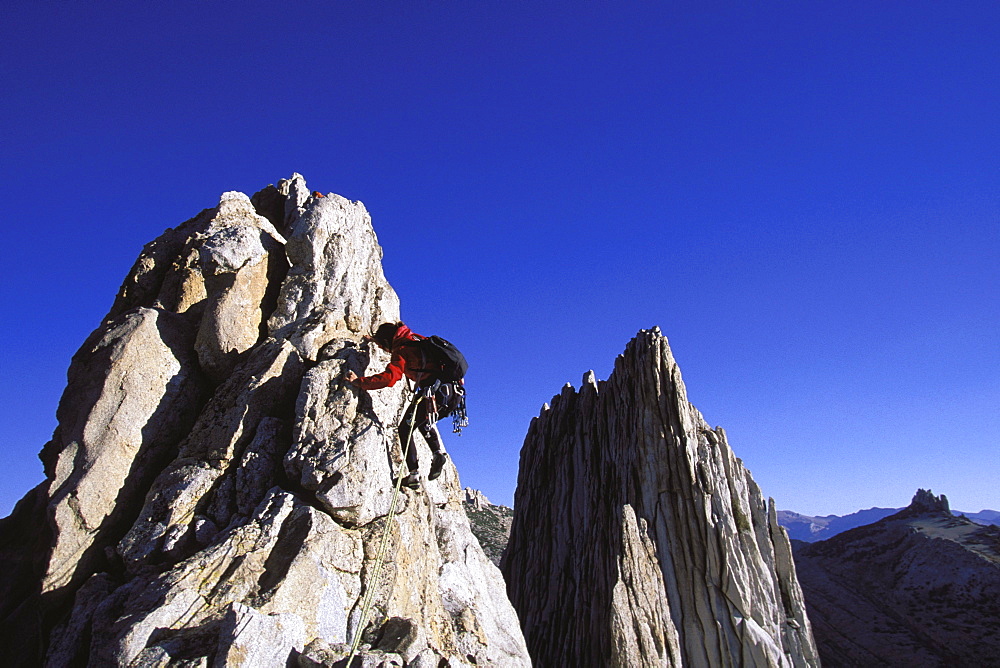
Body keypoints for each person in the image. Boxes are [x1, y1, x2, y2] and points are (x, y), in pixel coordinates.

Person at [344, 322, 463, 489]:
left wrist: (359, 382)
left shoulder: (401, 350)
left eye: (383, 344)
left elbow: (389, 378)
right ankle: (437, 454)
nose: (384, 348)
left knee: (405, 428)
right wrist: (374, 341)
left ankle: (414, 474)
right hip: (452, 394)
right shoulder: (414, 338)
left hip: (433, 394)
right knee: (421, 422)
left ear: (388, 341)